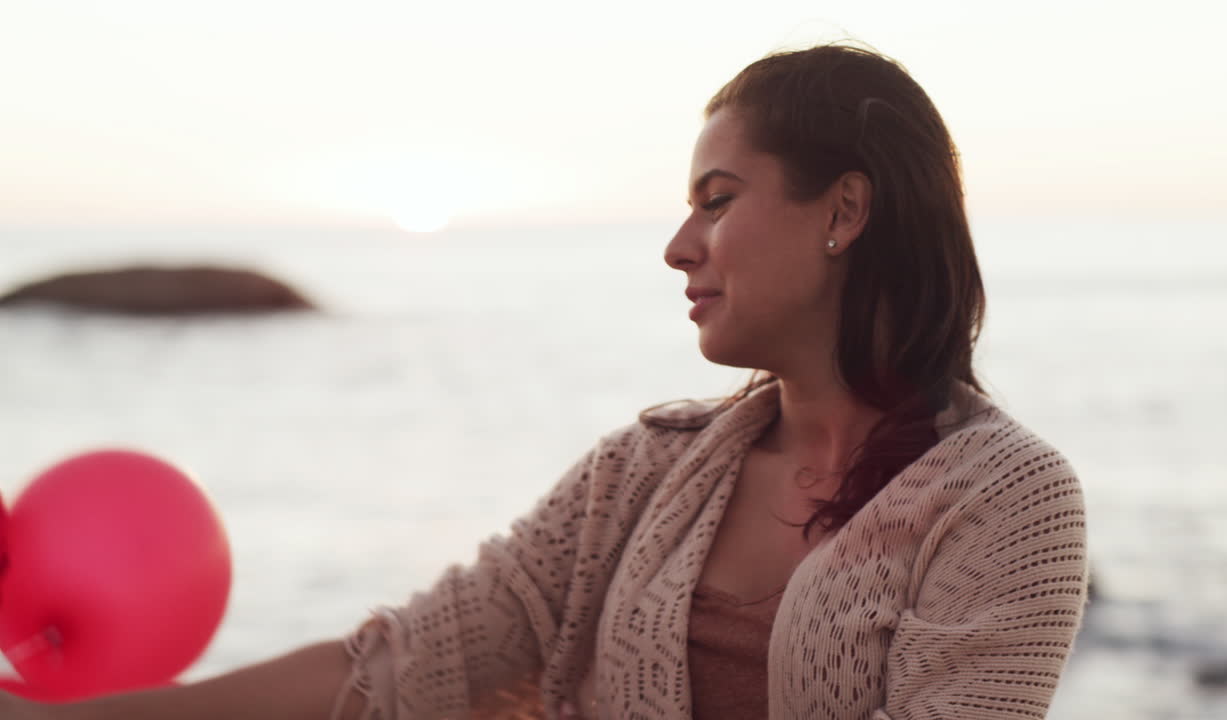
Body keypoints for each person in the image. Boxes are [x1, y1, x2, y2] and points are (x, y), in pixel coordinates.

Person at [0, 42, 1089, 719]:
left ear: (843, 214)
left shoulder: (1006, 501)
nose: (677, 244)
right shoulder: (643, 471)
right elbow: (398, 669)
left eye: (716, 198)